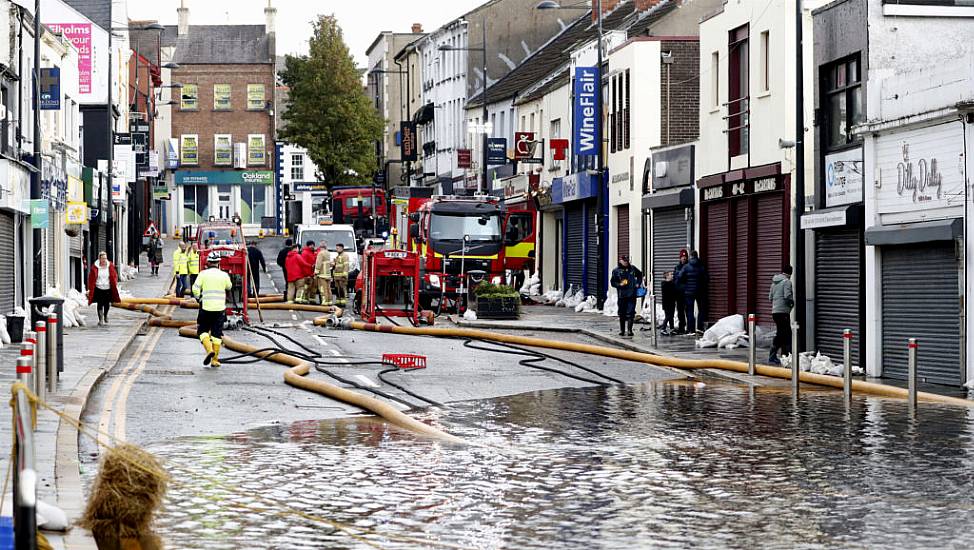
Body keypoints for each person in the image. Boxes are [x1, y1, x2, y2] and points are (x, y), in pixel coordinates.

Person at [192, 251, 233, 367]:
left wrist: (199, 298)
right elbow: (229, 286)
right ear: (218, 263)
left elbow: (195, 289)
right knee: (216, 335)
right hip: (220, 309)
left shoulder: (203, 274)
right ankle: (215, 360)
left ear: (208, 262)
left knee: (202, 331)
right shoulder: (224, 275)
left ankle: (209, 349)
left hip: (206, 308)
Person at [768, 265, 795, 365]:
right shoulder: (787, 282)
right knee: (785, 333)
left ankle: (782, 355)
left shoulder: (774, 283)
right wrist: (792, 303)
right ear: (790, 273)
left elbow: (770, 297)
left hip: (775, 312)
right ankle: (779, 355)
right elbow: (787, 295)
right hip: (783, 312)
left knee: (782, 333)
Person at [610, 255, 642, 338]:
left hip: (632, 294)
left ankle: (630, 330)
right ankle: (622, 330)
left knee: (631, 313)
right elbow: (613, 282)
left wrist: (638, 283)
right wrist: (619, 284)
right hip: (622, 295)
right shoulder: (616, 271)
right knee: (622, 313)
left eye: (627, 261)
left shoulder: (633, 268)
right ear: (620, 261)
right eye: (624, 261)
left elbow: (640, 275)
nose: (626, 262)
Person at [87, 251, 121, 326]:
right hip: (98, 287)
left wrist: (114, 283)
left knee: (107, 304)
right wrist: (90, 288)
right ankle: (100, 319)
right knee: (100, 303)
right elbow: (91, 278)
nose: (104, 260)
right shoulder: (95, 267)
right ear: (99, 259)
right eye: (102, 258)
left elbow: (114, 275)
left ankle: (105, 315)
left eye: (105, 258)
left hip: (108, 287)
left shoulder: (110, 266)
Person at [677, 250, 707, 335]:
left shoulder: (686, 267)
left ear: (690, 256)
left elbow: (679, 277)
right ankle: (700, 328)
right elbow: (706, 278)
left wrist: (684, 284)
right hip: (699, 291)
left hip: (689, 292)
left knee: (690, 310)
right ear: (697, 256)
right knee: (701, 309)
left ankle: (691, 329)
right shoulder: (701, 266)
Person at [673, 249, 689, 334]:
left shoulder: (689, 266)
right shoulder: (677, 267)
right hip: (679, 293)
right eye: (682, 257)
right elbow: (675, 279)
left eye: (685, 257)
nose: (684, 258)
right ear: (680, 258)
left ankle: (689, 328)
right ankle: (681, 327)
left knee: (688, 311)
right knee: (680, 311)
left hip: (686, 292)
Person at [661, 271, 677, 336]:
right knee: (668, 316)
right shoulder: (665, 284)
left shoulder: (672, 283)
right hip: (667, 303)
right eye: (670, 274)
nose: (672, 275)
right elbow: (669, 294)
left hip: (672, 302)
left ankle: (672, 329)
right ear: (667, 276)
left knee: (671, 317)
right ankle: (663, 328)